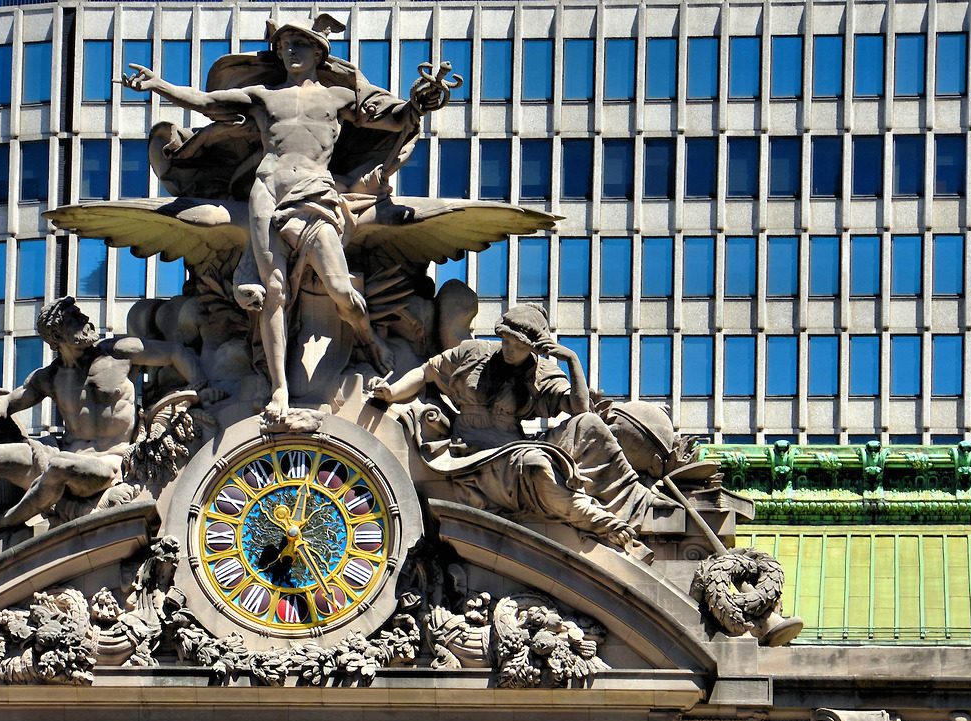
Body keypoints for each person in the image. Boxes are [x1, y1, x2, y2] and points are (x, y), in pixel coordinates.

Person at [123, 16, 447, 417]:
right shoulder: (263, 96)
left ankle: (370, 340)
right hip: (267, 190)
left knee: (341, 289)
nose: (290, 52)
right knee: (274, 293)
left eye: (299, 45)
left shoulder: (338, 98)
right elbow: (209, 104)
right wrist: (160, 85)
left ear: (318, 52)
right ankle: (279, 389)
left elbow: (394, 117)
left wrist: (418, 103)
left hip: (316, 193)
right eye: (284, 46)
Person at [368, 305, 669, 547]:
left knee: (589, 424)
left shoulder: (540, 372)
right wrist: (392, 392)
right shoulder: (473, 353)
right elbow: (427, 372)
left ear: (534, 348)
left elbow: (578, 409)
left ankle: (635, 499)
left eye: (519, 346)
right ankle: (595, 518)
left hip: (511, 449)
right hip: (471, 452)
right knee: (538, 465)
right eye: (506, 341)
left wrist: (572, 360)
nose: (510, 349)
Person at [0, 298, 216, 550]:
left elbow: (175, 353)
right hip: (60, 457)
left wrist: (202, 386)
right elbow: (8, 404)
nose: (85, 318)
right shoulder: (49, 377)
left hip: (109, 463)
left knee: (60, 466)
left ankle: (0, 523)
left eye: (79, 313)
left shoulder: (118, 352)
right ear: (57, 337)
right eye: (74, 318)